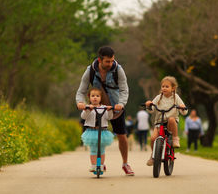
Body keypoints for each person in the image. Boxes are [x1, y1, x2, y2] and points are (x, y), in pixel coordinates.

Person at [76, 46, 134, 176]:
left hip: (115, 108)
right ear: (100, 60)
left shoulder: (118, 70)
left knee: (121, 135)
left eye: (112, 60)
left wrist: (121, 104)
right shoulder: (90, 70)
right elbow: (81, 91)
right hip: (97, 109)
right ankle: (99, 162)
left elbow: (124, 90)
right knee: (96, 135)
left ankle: (125, 163)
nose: (110, 64)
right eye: (107, 61)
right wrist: (80, 102)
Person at [145, 76, 187, 166]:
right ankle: (153, 156)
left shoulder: (176, 97)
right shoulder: (158, 97)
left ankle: (175, 138)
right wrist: (149, 105)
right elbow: (151, 109)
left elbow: (184, 112)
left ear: (173, 88)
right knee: (153, 138)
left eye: (167, 86)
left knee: (171, 119)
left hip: (171, 123)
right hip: (159, 122)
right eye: (163, 86)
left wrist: (183, 107)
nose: (164, 88)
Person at [80, 88, 114, 172]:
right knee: (93, 149)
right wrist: (87, 109)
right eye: (93, 96)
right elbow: (83, 117)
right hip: (91, 132)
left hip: (102, 131)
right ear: (89, 97)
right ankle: (93, 165)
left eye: (97, 96)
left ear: (100, 98)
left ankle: (101, 165)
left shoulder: (104, 107)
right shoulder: (88, 107)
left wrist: (109, 110)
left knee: (102, 149)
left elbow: (109, 117)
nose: (95, 98)